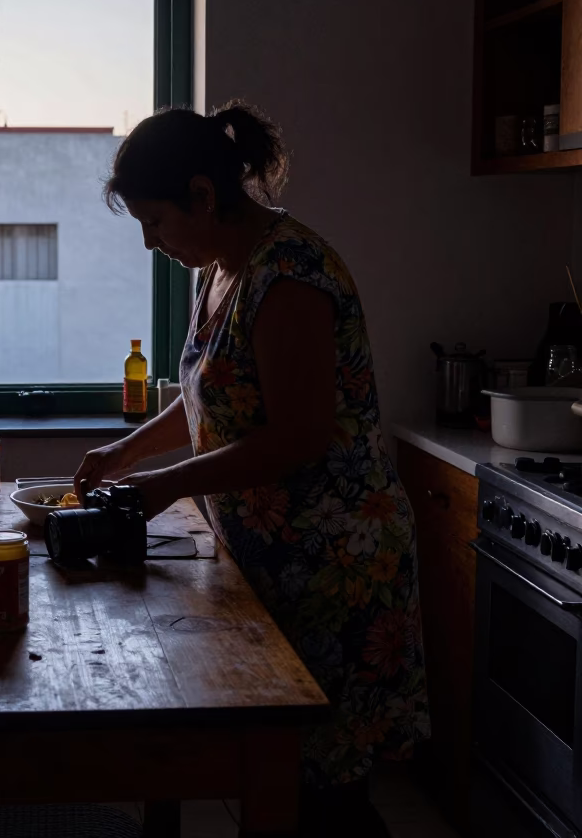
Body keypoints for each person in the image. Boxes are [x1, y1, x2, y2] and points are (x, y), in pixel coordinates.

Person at [75, 102, 429, 837]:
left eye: (155, 221)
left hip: (333, 565)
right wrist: (125, 453)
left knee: (324, 794)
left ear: (203, 196)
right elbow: (213, 396)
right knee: (282, 779)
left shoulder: (290, 274)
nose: (150, 242)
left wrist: (167, 484)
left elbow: (298, 434)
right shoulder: (217, 270)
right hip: (272, 561)